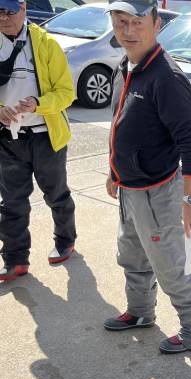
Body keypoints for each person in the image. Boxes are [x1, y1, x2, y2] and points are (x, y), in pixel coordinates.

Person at [102, 0, 191, 354]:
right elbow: (122, 126)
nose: (128, 31)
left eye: (137, 22)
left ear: (156, 24)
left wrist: (190, 200)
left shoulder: (167, 77)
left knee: (169, 267)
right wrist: (114, 172)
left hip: (158, 193)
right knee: (131, 257)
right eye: (121, 22)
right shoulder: (125, 66)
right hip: (129, 188)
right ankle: (140, 312)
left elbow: (190, 142)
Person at [0, 0, 76, 281]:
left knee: (56, 194)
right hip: (8, 138)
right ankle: (15, 259)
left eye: (9, 11)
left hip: (46, 136)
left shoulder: (46, 44)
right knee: (11, 202)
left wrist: (38, 103)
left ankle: (65, 240)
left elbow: (66, 92)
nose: (4, 18)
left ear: (23, 9)